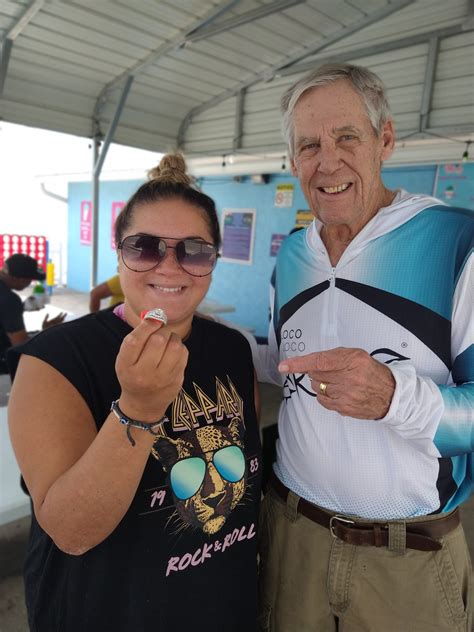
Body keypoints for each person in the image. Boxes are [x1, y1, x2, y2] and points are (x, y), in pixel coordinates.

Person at [256, 63, 473, 632]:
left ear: (386, 140)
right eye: (308, 145)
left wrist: (395, 397)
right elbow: (286, 369)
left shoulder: (455, 240)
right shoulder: (290, 254)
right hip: (293, 537)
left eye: (346, 137)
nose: (326, 161)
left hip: (407, 558)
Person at [7, 154, 262, 632]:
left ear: (213, 260)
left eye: (194, 250)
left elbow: (246, 482)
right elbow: (71, 531)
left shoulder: (232, 349)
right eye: (145, 247)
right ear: (117, 249)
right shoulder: (54, 359)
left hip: (221, 607)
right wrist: (139, 409)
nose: (170, 266)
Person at [0, 253, 65, 374]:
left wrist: (22, 308)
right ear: (20, 279)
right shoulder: (9, 300)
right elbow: (20, 344)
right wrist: (45, 332)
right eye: (29, 280)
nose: (29, 283)